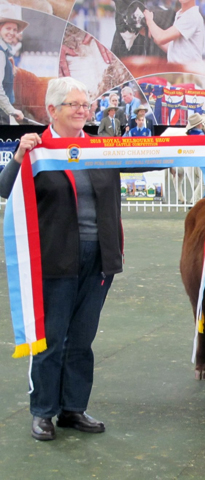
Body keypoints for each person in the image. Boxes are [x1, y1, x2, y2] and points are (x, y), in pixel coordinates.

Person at [0, 77, 126, 441]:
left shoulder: (102, 147)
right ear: (52, 109)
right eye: (75, 105)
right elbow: (4, 188)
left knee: (82, 339)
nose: (83, 111)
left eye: (86, 105)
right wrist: (22, 154)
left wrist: (194, 145)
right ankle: (43, 412)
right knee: (51, 339)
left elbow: (147, 158)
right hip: (54, 259)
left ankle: (73, 408)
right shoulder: (39, 149)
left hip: (100, 257)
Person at [143, 0, 205, 70]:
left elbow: (160, 38)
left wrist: (149, 20)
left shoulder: (192, 16)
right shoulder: (181, 14)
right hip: (179, 73)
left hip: (187, 75)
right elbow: (171, 48)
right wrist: (146, 32)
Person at [0, 5, 27, 124]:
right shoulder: (1, 53)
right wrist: (11, 110)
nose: (12, 32)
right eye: (8, 28)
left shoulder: (6, 52)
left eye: (15, 30)